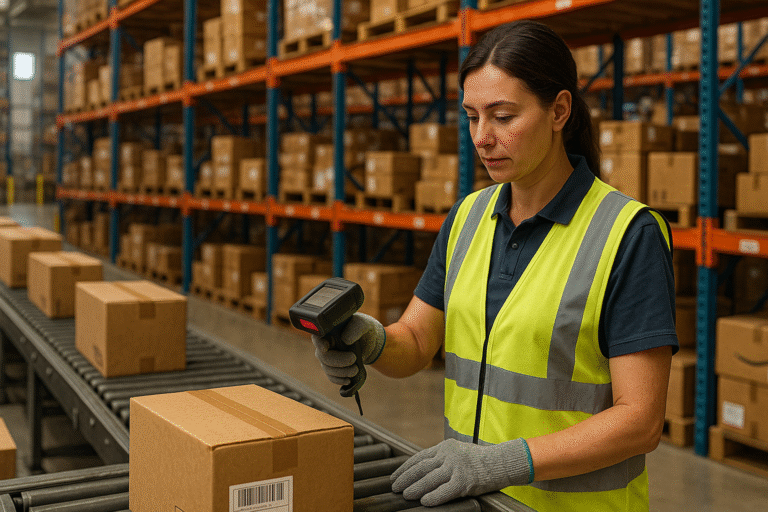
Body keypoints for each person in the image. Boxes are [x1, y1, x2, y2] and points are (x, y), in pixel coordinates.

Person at [312, 20, 678, 511]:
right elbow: (419, 341)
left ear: (559, 110)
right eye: (471, 116)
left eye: (503, 116)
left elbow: (641, 420)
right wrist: (371, 339)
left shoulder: (628, 235)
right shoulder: (468, 218)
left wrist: (499, 463)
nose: (482, 138)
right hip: (477, 503)